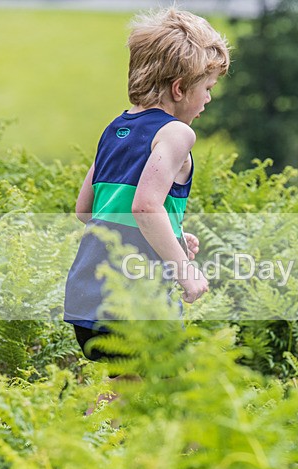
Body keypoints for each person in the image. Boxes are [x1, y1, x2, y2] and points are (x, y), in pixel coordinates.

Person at [64, 7, 229, 361]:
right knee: (154, 391)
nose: (209, 99)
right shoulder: (176, 133)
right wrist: (184, 269)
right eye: (208, 88)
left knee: (125, 387)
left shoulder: (115, 129)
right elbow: (145, 206)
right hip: (134, 296)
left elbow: (87, 211)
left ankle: (90, 420)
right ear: (180, 88)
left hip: (87, 291)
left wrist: (168, 234)